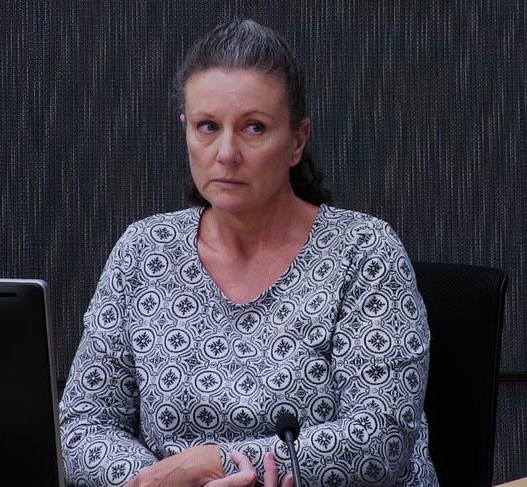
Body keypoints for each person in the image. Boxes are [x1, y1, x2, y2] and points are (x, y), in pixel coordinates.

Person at [59, 19, 438, 487]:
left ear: (297, 141)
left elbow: (381, 442)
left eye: (254, 128)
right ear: (186, 131)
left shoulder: (364, 251)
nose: (226, 152)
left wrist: (220, 464)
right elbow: (82, 425)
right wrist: (157, 482)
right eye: (207, 127)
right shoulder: (143, 250)